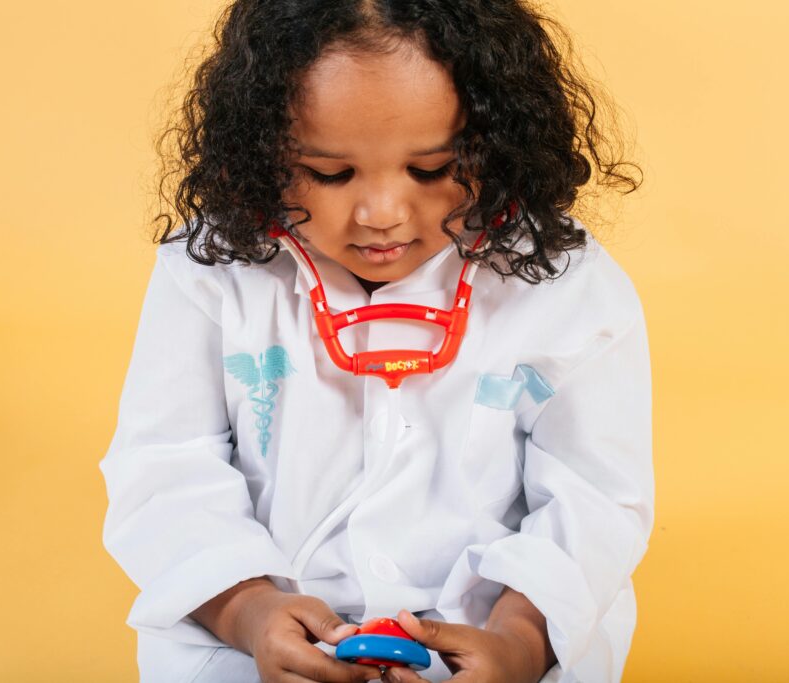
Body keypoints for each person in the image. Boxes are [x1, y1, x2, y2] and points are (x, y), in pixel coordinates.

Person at [98, 1, 651, 682]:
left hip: (491, 646)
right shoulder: (208, 271)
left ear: (495, 143)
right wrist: (247, 610)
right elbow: (163, 473)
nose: (382, 214)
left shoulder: (569, 285)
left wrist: (521, 638)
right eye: (330, 173)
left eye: (431, 169)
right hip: (252, 646)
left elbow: (594, 497)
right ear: (262, 152)